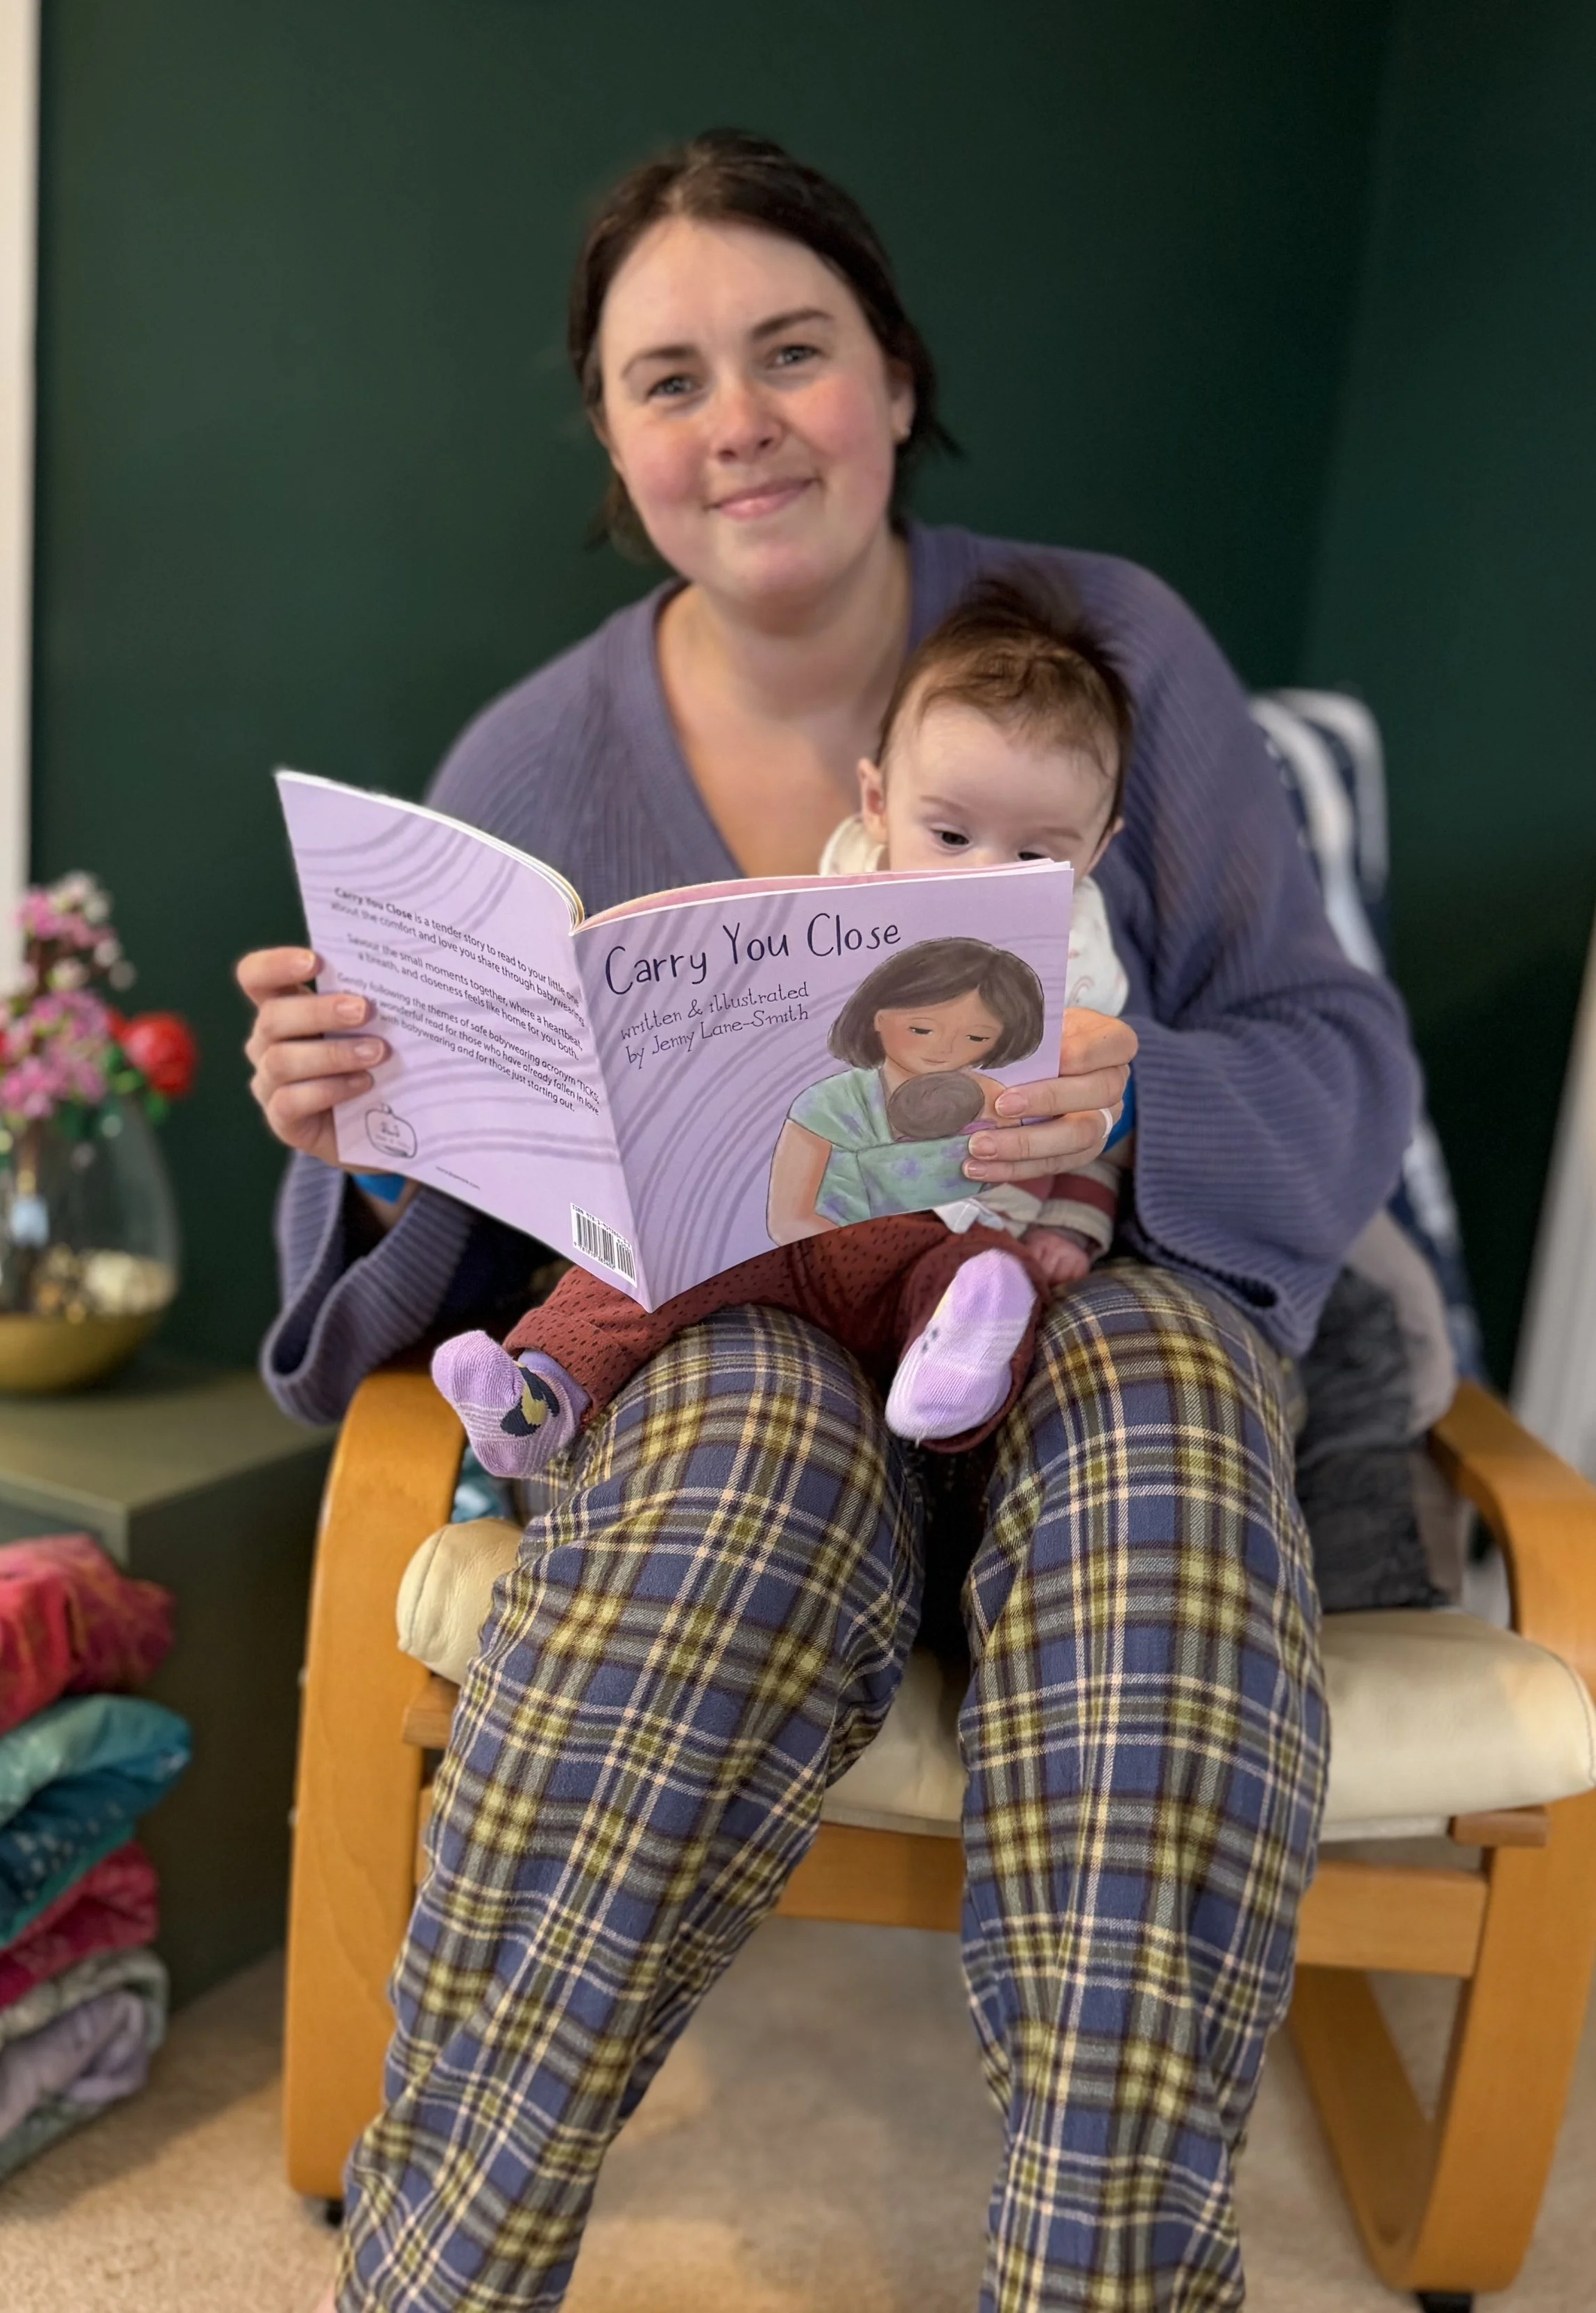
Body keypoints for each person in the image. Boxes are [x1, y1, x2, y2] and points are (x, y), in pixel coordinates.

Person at [239, 129, 1416, 2313]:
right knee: (742, 1433)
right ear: (613, 443)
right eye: (666, 377)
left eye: (792, 350)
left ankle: (1105, 2277)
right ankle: (441, 2265)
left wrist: (1141, 1086)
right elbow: (462, 1231)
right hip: (747, 1352)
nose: (739, 420)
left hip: (1081, 1304)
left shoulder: (1108, 650)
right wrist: (367, 1128)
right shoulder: (527, 764)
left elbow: (1333, 1051)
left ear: (893, 376)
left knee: (1158, 1421)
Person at [432, 579, 1135, 1477]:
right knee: (655, 1257)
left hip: (940, 1230)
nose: (987, 874)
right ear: (877, 804)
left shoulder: (1079, 963)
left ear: (1098, 848)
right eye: (952, 837)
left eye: (1036, 855)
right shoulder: (835, 903)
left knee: (981, 1276)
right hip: (771, 1226)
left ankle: (955, 1364)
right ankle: (541, 1393)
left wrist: (1071, 1225)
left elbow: (1104, 1129)